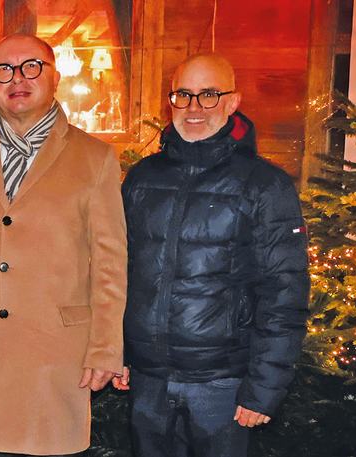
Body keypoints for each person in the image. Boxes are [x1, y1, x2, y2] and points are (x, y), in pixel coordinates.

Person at [0, 34, 127, 457]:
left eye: (31, 66)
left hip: (55, 357)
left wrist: (106, 349)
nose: (18, 78)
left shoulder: (95, 157)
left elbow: (109, 263)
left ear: (55, 77)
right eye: (4, 69)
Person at [117, 54, 310, 457]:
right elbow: (117, 272)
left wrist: (263, 389)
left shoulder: (265, 184)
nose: (193, 108)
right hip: (148, 381)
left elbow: (284, 293)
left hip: (222, 387)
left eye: (208, 95)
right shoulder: (141, 178)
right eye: (183, 95)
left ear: (232, 101)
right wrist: (114, 352)